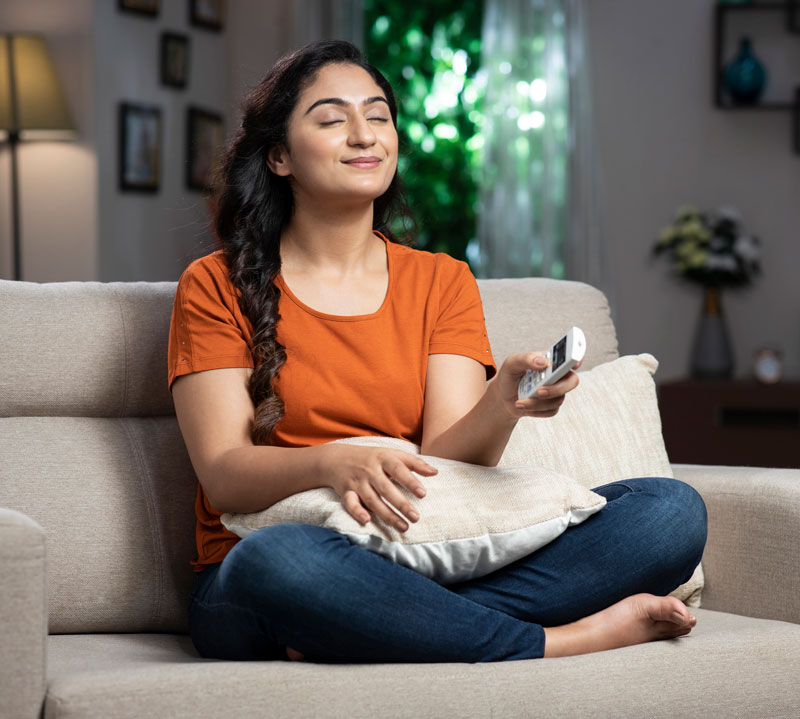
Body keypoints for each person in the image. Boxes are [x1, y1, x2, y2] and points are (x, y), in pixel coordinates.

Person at [168, 39, 707, 663]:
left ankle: (374, 622)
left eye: (378, 115)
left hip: (428, 556)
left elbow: (449, 456)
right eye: (332, 118)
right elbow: (224, 474)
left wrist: (502, 405)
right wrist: (333, 463)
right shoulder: (214, 283)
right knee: (282, 561)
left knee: (669, 514)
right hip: (261, 569)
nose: (364, 134)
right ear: (280, 156)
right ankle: (558, 640)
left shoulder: (442, 280)